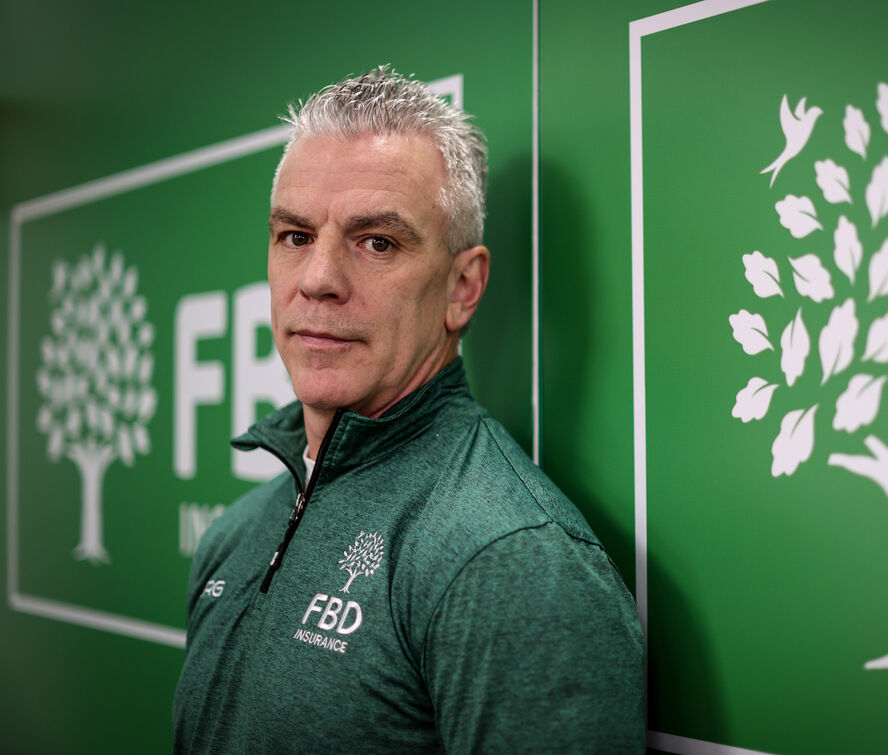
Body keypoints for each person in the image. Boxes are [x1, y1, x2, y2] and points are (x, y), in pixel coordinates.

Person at [173, 66, 645, 752]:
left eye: (377, 242)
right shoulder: (236, 532)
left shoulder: (511, 558)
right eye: (296, 236)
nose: (318, 280)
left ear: (462, 286)